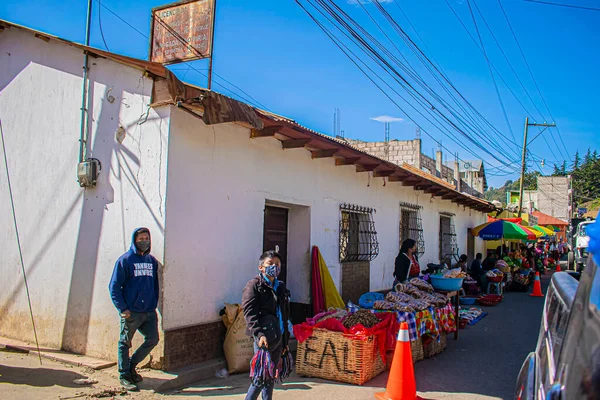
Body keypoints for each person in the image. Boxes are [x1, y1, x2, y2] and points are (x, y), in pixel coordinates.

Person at [109, 228, 160, 392]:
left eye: (147, 238)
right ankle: (124, 374)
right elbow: (114, 287)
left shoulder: (151, 261)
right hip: (132, 312)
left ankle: (131, 366)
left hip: (149, 312)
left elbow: (155, 285)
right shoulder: (125, 260)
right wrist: (123, 308)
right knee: (125, 342)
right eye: (141, 239)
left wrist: (153, 304)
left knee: (153, 339)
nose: (145, 241)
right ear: (134, 240)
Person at [242, 250, 291, 400]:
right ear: (261, 267)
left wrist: (285, 340)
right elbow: (249, 313)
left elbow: (284, 313)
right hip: (263, 338)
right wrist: (259, 334)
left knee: (270, 376)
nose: (274, 267)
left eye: (277, 264)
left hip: (278, 336)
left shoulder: (280, 286)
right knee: (260, 377)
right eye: (270, 264)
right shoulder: (254, 285)